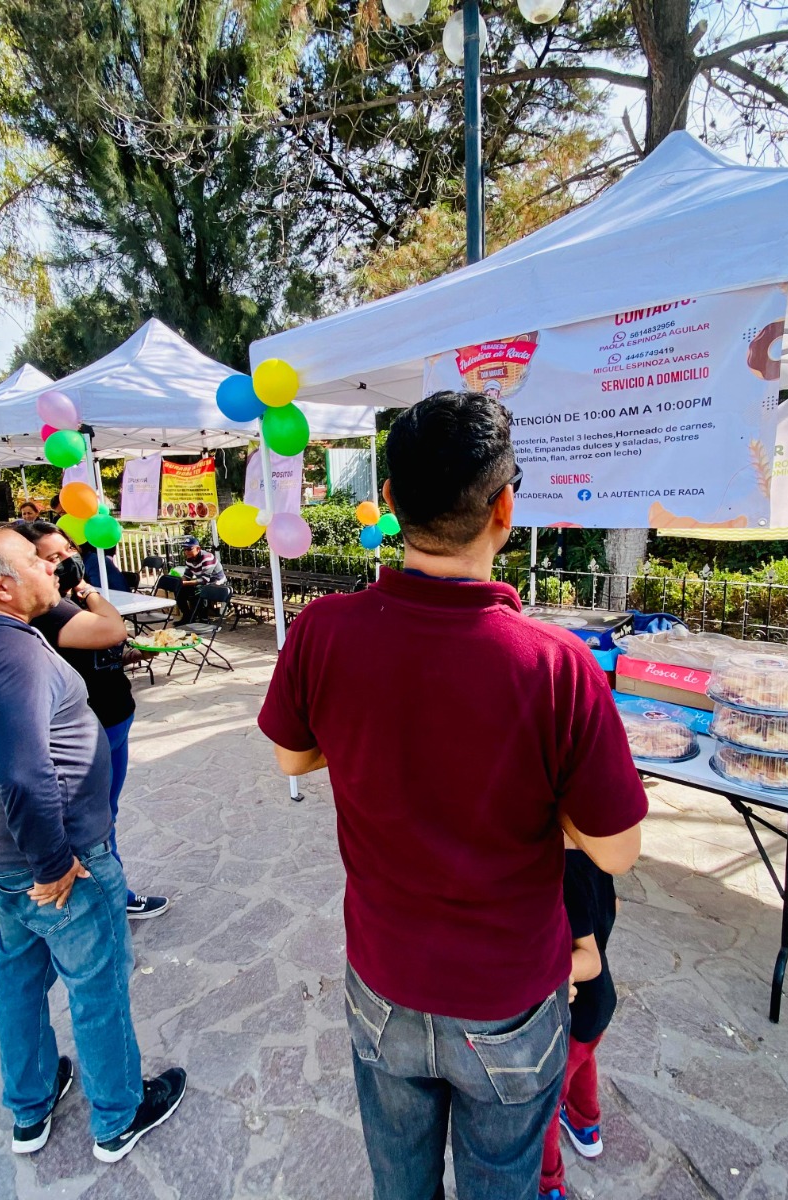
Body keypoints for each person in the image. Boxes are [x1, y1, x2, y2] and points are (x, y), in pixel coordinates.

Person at [256, 391, 647, 1200]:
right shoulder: (557, 665)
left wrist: (368, 745)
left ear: (388, 499)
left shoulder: (324, 630)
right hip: (509, 1000)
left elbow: (293, 756)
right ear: (505, 508)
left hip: (384, 981)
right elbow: (616, 851)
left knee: (399, 1185)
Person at [0, 523, 185, 1163]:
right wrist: (53, 861)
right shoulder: (10, 654)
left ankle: (30, 1104)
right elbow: (25, 775)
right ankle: (118, 1113)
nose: (49, 568)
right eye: (33, 562)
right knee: (97, 983)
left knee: (21, 975)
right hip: (57, 861)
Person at [13, 519, 170, 920]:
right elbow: (112, 629)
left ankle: (110, 890)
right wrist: (88, 590)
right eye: (53, 556)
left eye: (68, 550)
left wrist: (129, 656)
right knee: (94, 822)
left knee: (107, 813)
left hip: (115, 717)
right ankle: (110, 898)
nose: (66, 560)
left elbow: (97, 653)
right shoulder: (50, 611)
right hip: (90, 728)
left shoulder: (69, 603)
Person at [539, 833, 619, 1200]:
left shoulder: (563, 873)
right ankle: (586, 1125)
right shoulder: (598, 861)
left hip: (573, 1013)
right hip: (596, 1008)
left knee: (545, 1099)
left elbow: (591, 960)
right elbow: (612, 907)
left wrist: (549, 970)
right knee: (584, 1062)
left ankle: (547, 1182)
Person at [174, 535, 226, 622]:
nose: (186, 552)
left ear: (198, 549)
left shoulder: (207, 557)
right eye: (185, 549)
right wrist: (179, 582)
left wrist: (184, 583)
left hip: (218, 585)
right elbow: (187, 576)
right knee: (179, 590)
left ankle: (203, 619)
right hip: (204, 584)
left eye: (189, 549)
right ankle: (187, 616)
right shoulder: (189, 560)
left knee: (198, 591)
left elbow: (205, 580)